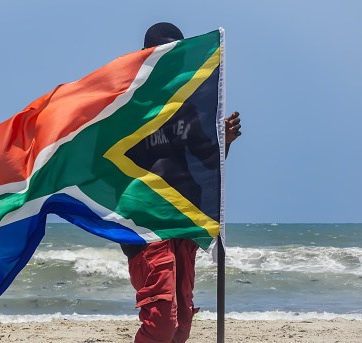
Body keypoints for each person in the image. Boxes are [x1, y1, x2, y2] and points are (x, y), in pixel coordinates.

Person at [120, 22, 241, 343]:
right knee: (161, 321)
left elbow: (206, 164)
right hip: (146, 227)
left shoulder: (188, 108)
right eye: (165, 53)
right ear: (148, 55)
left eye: (178, 53)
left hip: (185, 222)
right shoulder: (128, 105)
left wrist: (224, 142)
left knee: (182, 323)